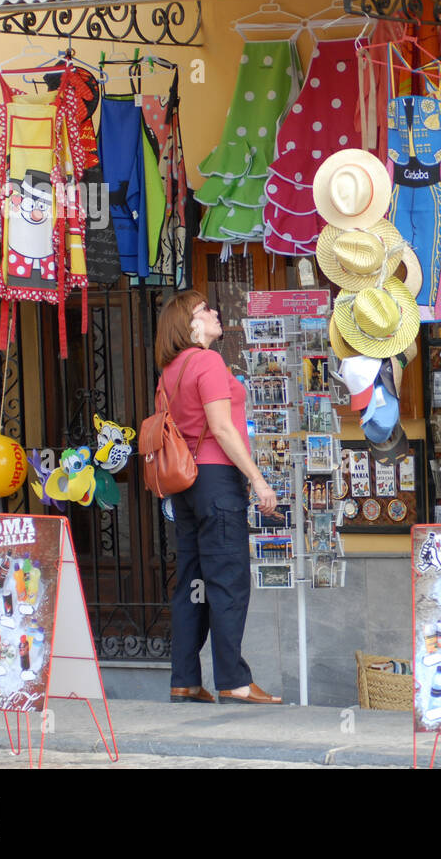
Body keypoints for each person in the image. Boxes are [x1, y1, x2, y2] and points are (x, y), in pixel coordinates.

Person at [156, 290, 282, 705]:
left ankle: (185, 680)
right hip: (216, 481)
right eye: (204, 309)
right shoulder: (207, 361)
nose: (213, 313)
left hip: (186, 486)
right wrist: (259, 480)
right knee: (227, 582)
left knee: (193, 583)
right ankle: (234, 680)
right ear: (189, 324)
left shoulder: (169, 370)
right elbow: (223, 429)